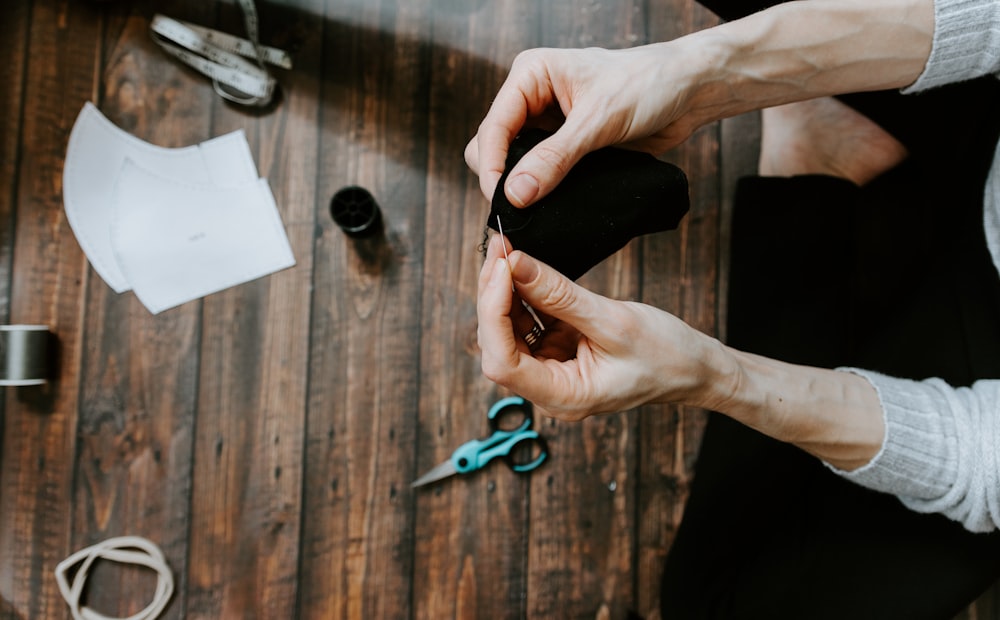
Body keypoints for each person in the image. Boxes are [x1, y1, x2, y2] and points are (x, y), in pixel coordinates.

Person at [467, 0, 1000, 617]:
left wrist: (718, 376)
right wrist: (695, 75)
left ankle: (817, 174)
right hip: (965, 75)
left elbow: (979, 457)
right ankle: (825, 126)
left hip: (983, 345)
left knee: (720, 606)